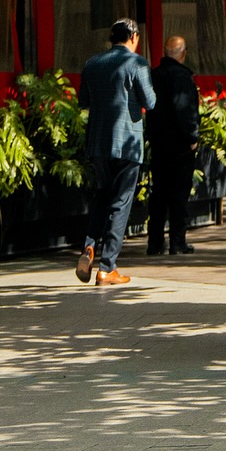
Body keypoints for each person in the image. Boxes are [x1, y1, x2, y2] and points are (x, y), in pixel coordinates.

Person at [74, 17, 157, 286]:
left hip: (98, 143)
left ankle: (88, 247)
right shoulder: (137, 63)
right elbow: (150, 102)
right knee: (120, 204)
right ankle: (107, 268)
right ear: (133, 37)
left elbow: (83, 101)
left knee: (101, 197)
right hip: (128, 144)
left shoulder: (92, 63)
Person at [147, 34, 200, 258]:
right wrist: (192, 136)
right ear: (183, 53)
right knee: (179, 194)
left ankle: (155, 242)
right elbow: (185, 109)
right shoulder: (182, 77)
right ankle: (177, 242)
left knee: (158, 193)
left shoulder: (154, 75)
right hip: (179, 144)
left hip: (159, 143)